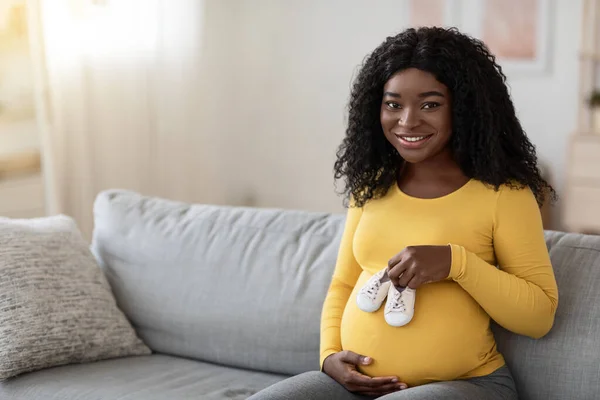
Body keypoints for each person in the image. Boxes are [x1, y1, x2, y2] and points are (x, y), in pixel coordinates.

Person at [249, 26, 558, 400]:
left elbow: (539, 316)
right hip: (354, 385)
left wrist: (456, 263)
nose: (407, 121)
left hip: (466, 384)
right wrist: (329, 355)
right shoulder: (372, 185)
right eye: (393, 104)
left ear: (465, 108)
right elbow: (344, 284)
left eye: (430, 104)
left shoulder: (504, 194)